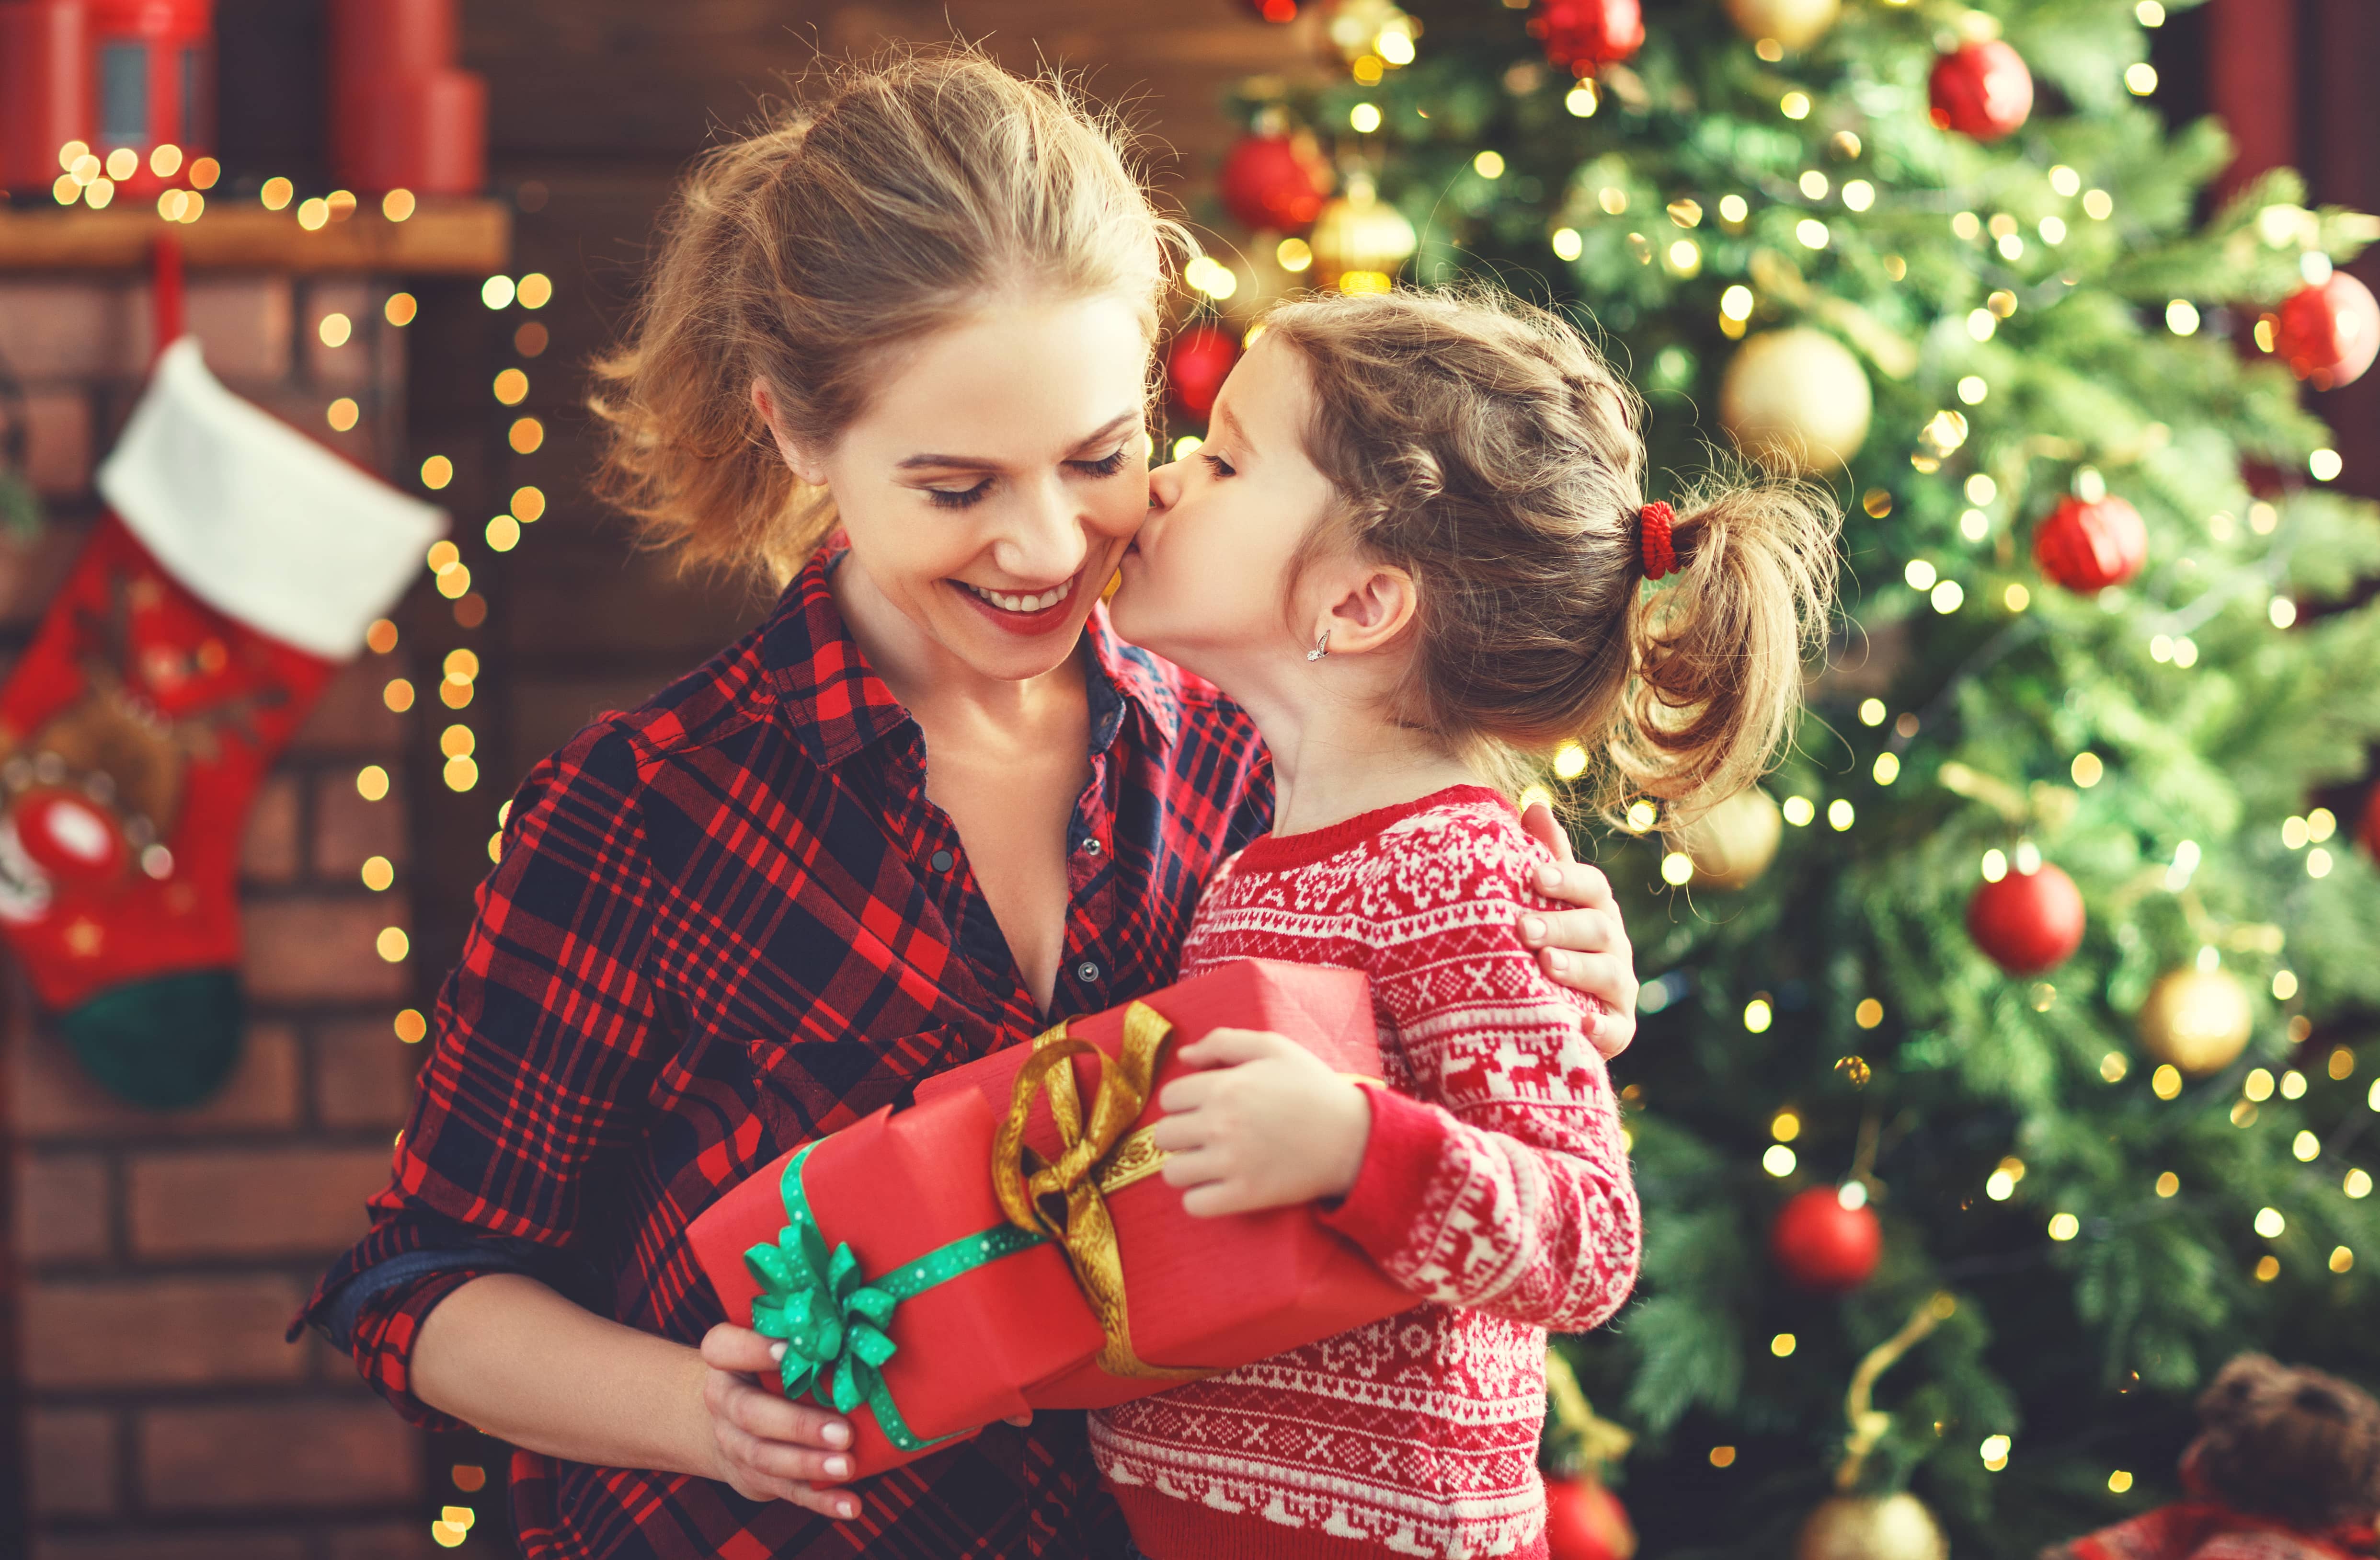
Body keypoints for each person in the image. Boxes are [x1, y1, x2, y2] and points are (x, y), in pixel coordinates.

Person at [293, 52, 1643, 1560]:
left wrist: (1553, 975)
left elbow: (1471, 1143)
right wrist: (702, 1416)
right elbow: (412, 1292)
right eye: (955, 486)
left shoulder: (1248, 763)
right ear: (802, 437)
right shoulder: (644, 813)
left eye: (1100, 456)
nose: (1048, 543)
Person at [1089, 286, 1840, 1559]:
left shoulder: (1458, 873)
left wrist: (1349, 1147)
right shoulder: (1261, 857)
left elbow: (1589, 1240)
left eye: (1221, 459)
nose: (1164, 477)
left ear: (1361, 605)